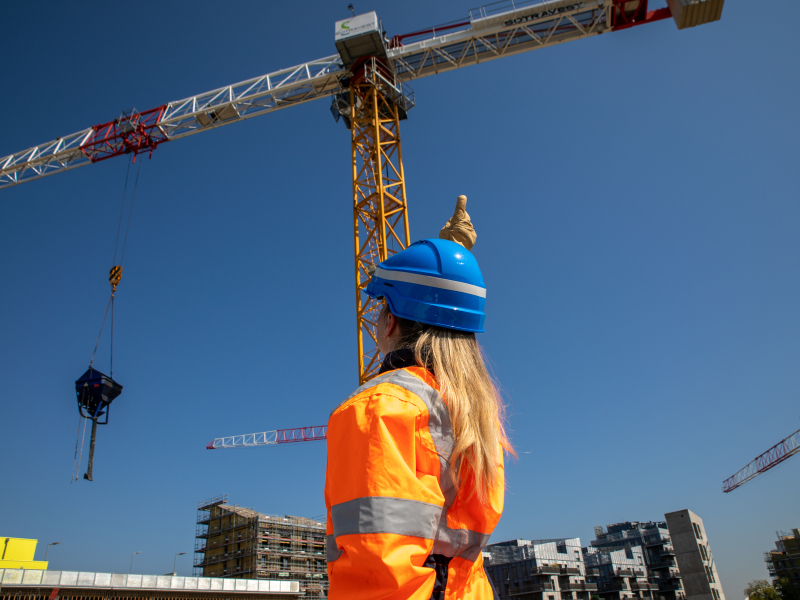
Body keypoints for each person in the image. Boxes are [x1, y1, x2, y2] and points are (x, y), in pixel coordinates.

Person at [325, 216, 514, 599]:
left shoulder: (377, 408)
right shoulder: (475, 416)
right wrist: (452, 258)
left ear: (390, 320)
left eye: (379, 310)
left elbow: (380, 579)